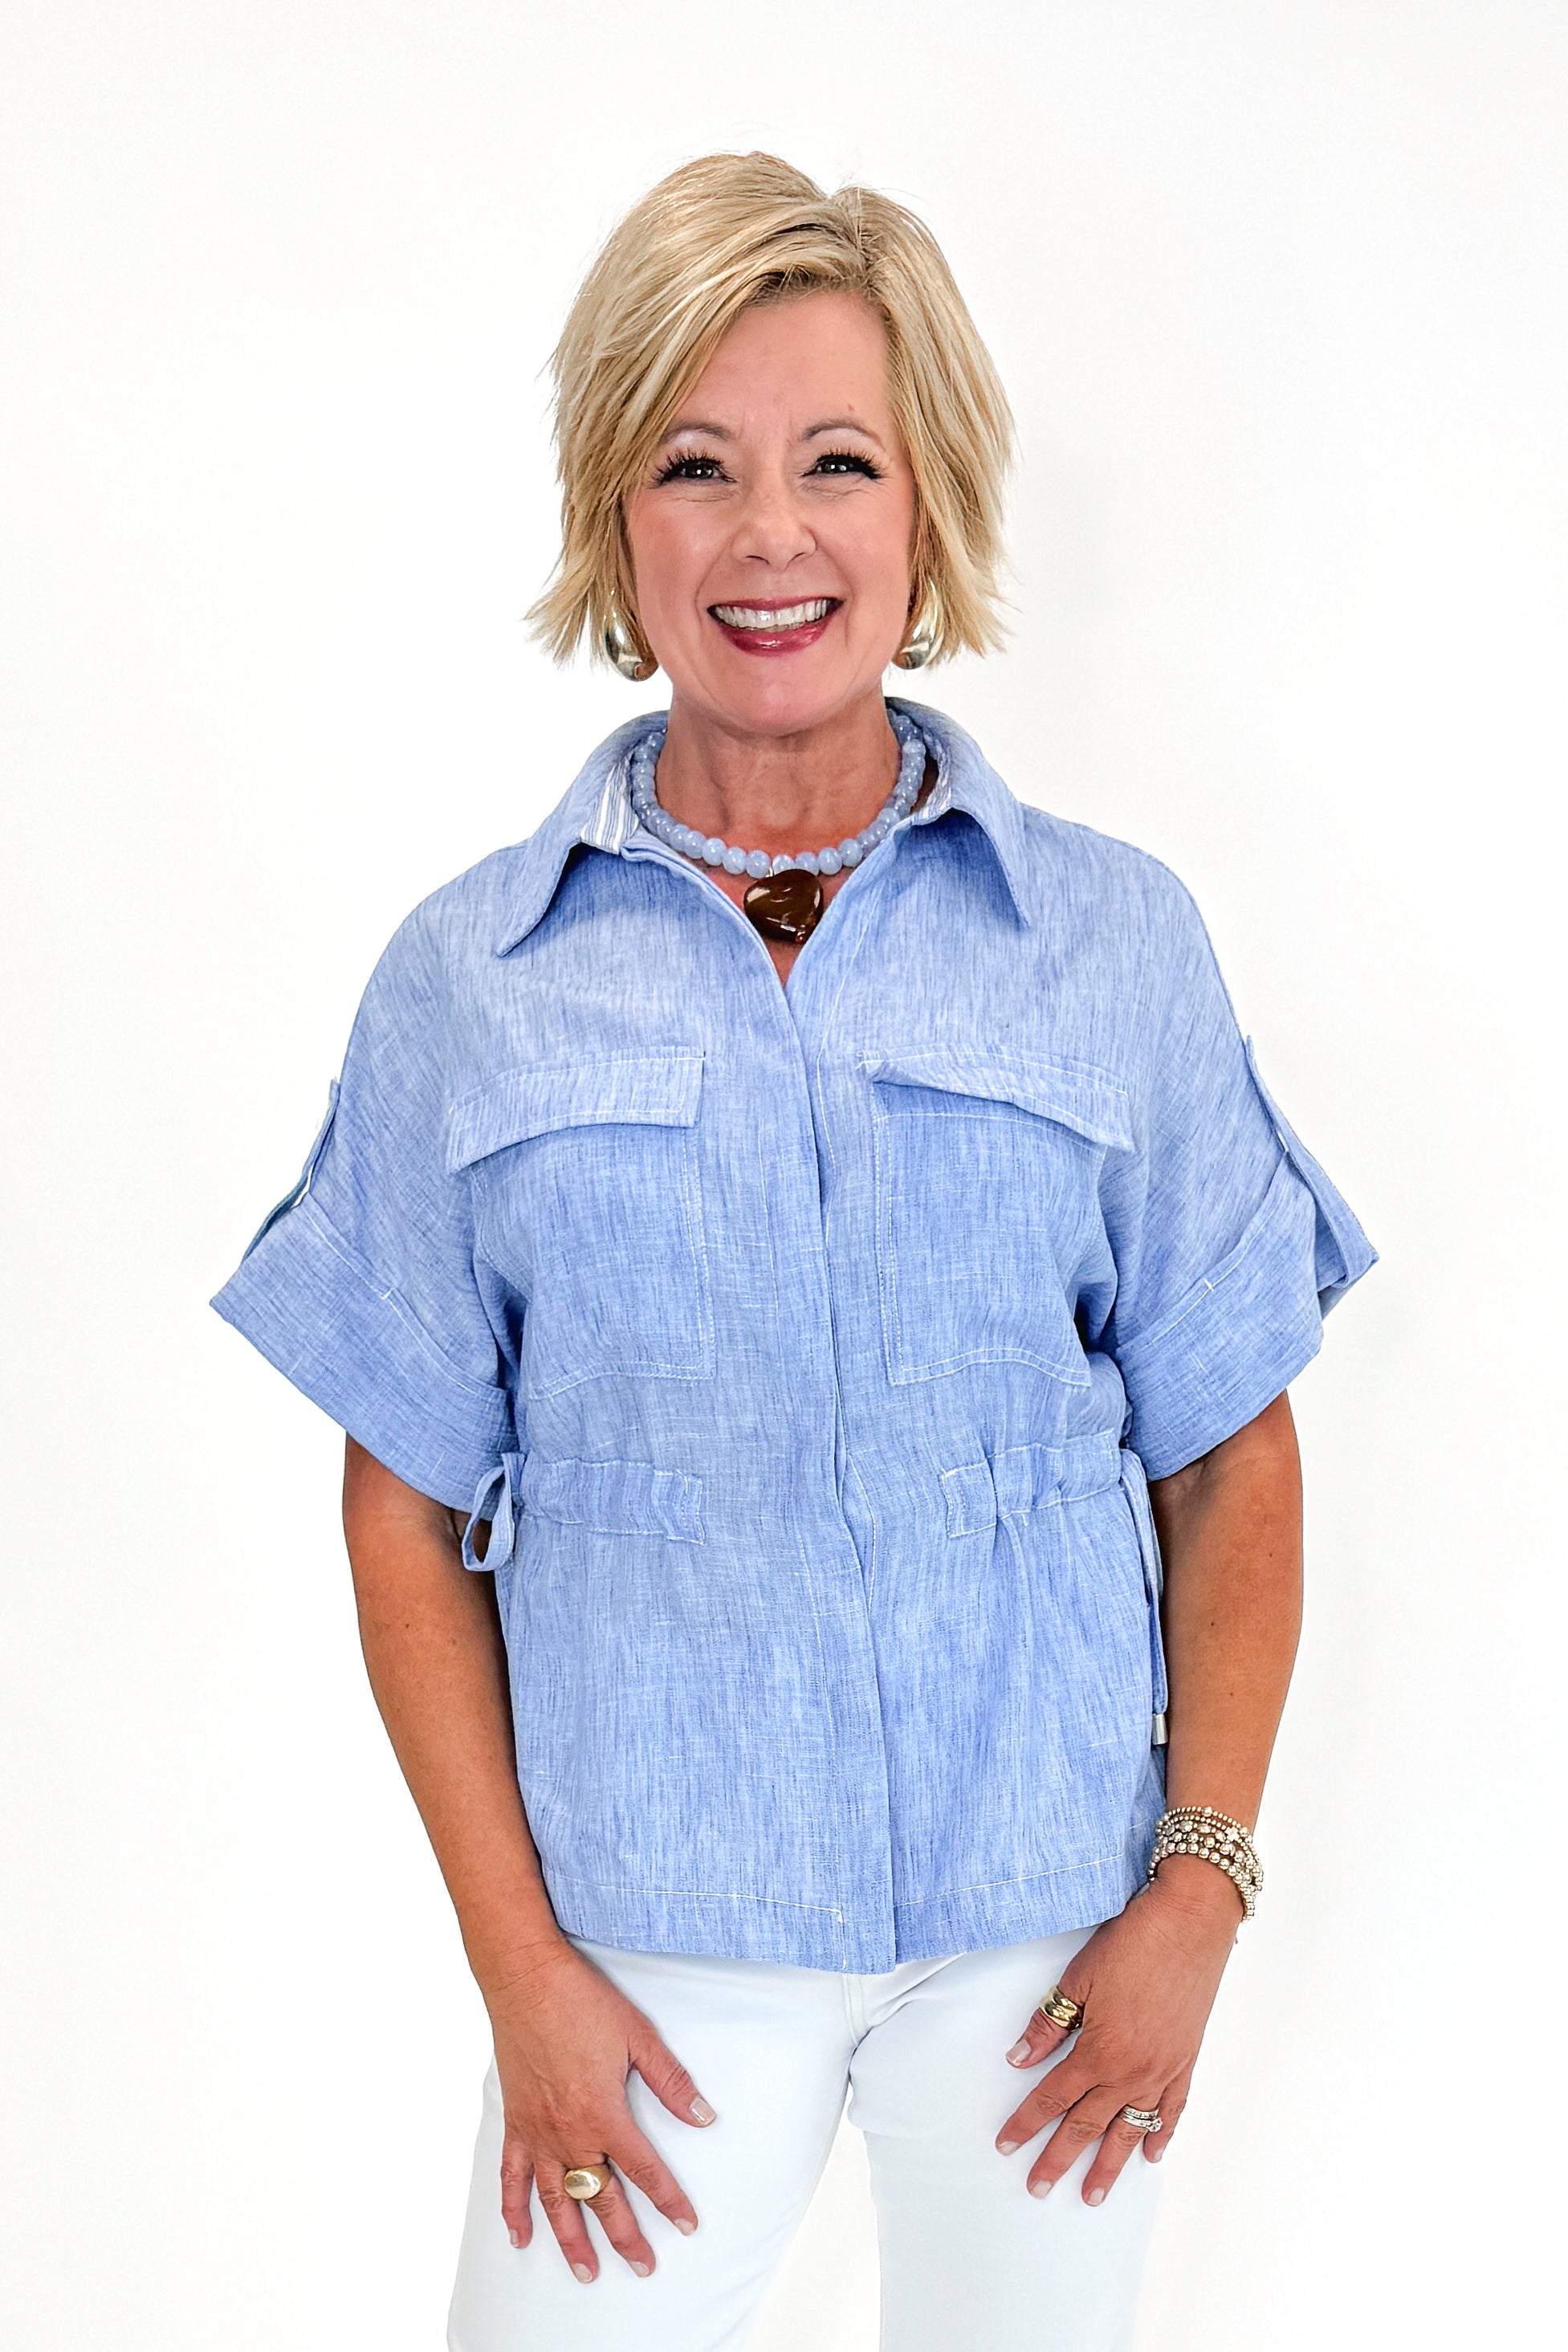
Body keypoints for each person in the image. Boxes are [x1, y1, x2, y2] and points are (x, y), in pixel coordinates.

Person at [212, 152, 1375, 2352]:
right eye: (693, 465)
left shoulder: (1108, 945)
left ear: (923, 508)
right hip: (643, 1967)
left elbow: (1230, 1451)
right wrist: (518, 1971)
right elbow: (402, 1497)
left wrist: (1193, 1894)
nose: (770, 536)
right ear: (611, 515)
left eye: (836, 461)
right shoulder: (473, 977)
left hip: (1042, 1957)